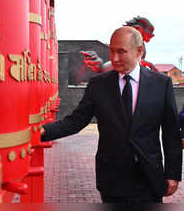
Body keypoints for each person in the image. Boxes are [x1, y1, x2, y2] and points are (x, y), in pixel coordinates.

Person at [41, 26, 182, 203]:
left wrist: (173, 174)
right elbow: (76, 121)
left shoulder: (162, 84)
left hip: (149, 177)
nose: (114, 58)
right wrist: (43, 131)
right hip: (112, 179)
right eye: (112, 51)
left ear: (139, 51)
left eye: (121, 52)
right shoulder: (98, 85)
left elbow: (171, 133)